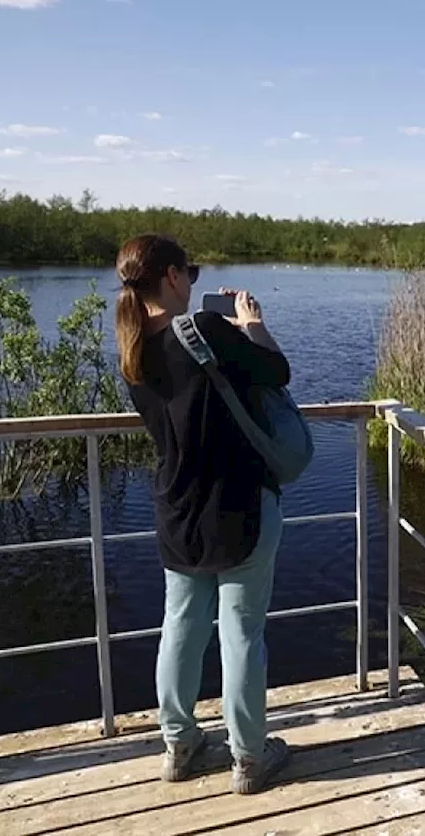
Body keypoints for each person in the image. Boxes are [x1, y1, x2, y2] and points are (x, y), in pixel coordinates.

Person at [115, 233, 292, 794]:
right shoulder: (207, 331)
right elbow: (277, 372)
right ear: (170, 276)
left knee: (181, 629)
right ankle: (249, 758)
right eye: (187, 271)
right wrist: (253, 324)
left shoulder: (132, 349)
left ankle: (179, 746)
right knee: (240, 633)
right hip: (238, 504)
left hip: (175, 508)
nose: (192, 279)